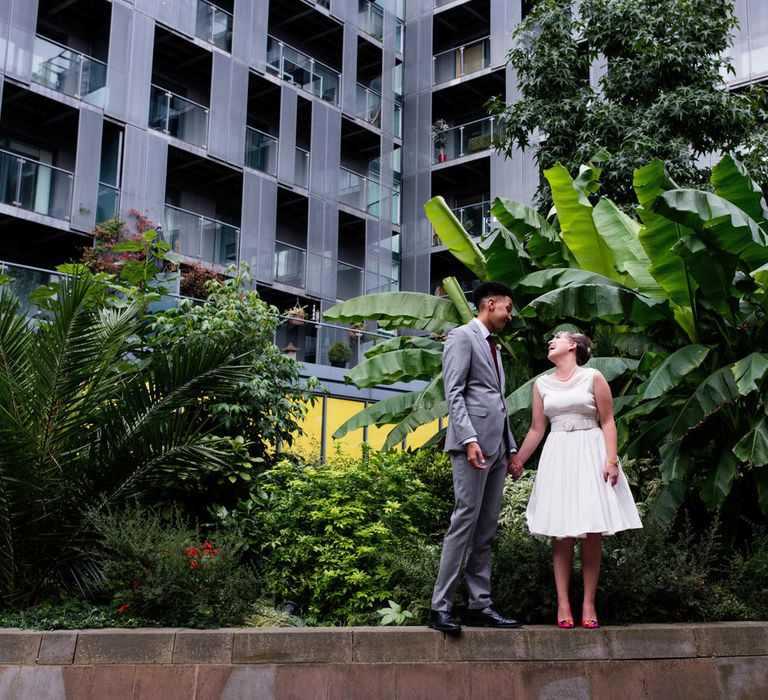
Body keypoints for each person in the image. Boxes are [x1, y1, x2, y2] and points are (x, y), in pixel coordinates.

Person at [510, 331, 642, 629]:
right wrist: (518, 459)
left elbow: (608, 421)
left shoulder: (593, 377)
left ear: (574, 346)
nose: (550, 341)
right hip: (558, 454)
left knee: (591, 528)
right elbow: (536, 429)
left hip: (590, 451)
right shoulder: (541, 384)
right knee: (561, 531)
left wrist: (611, 460)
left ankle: (589, 603)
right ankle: (563, 602)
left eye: (557, 337)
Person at [428, 281, 523, 634]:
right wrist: (468, 438)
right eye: (507, 308)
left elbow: (498, 401)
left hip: (496, 447)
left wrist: (510, 447)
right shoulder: (462, 337)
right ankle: (440, 608)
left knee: (485, 529)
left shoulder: (492, 346)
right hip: (473, 447)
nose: (509, 316)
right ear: (491, 303)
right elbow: (454, 392)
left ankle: (479, 605)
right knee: (464, 522)